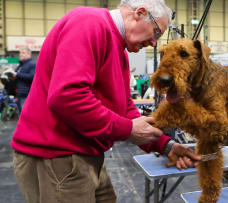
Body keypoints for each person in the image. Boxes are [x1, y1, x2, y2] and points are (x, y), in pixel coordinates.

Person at [11, 1, 201, 203]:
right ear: (139, 13)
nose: (154, 43)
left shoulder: (119, 52)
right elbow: (68, 96)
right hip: (57, 156)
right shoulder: (89, 24)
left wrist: (165, 146)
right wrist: (127, 129)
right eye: (156, 33)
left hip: (85, 153)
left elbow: (124, 108)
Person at [9, 47, 36, 114]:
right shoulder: (20, 65)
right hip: (19, 94)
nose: (20, 54)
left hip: (26, 94)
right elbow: (17, 77)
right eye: (20, 53)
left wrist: (17, 74)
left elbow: (32, 77)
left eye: (23, 53)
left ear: (29, 54)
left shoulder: (32, 64)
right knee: (21, 115)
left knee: (25, 115)